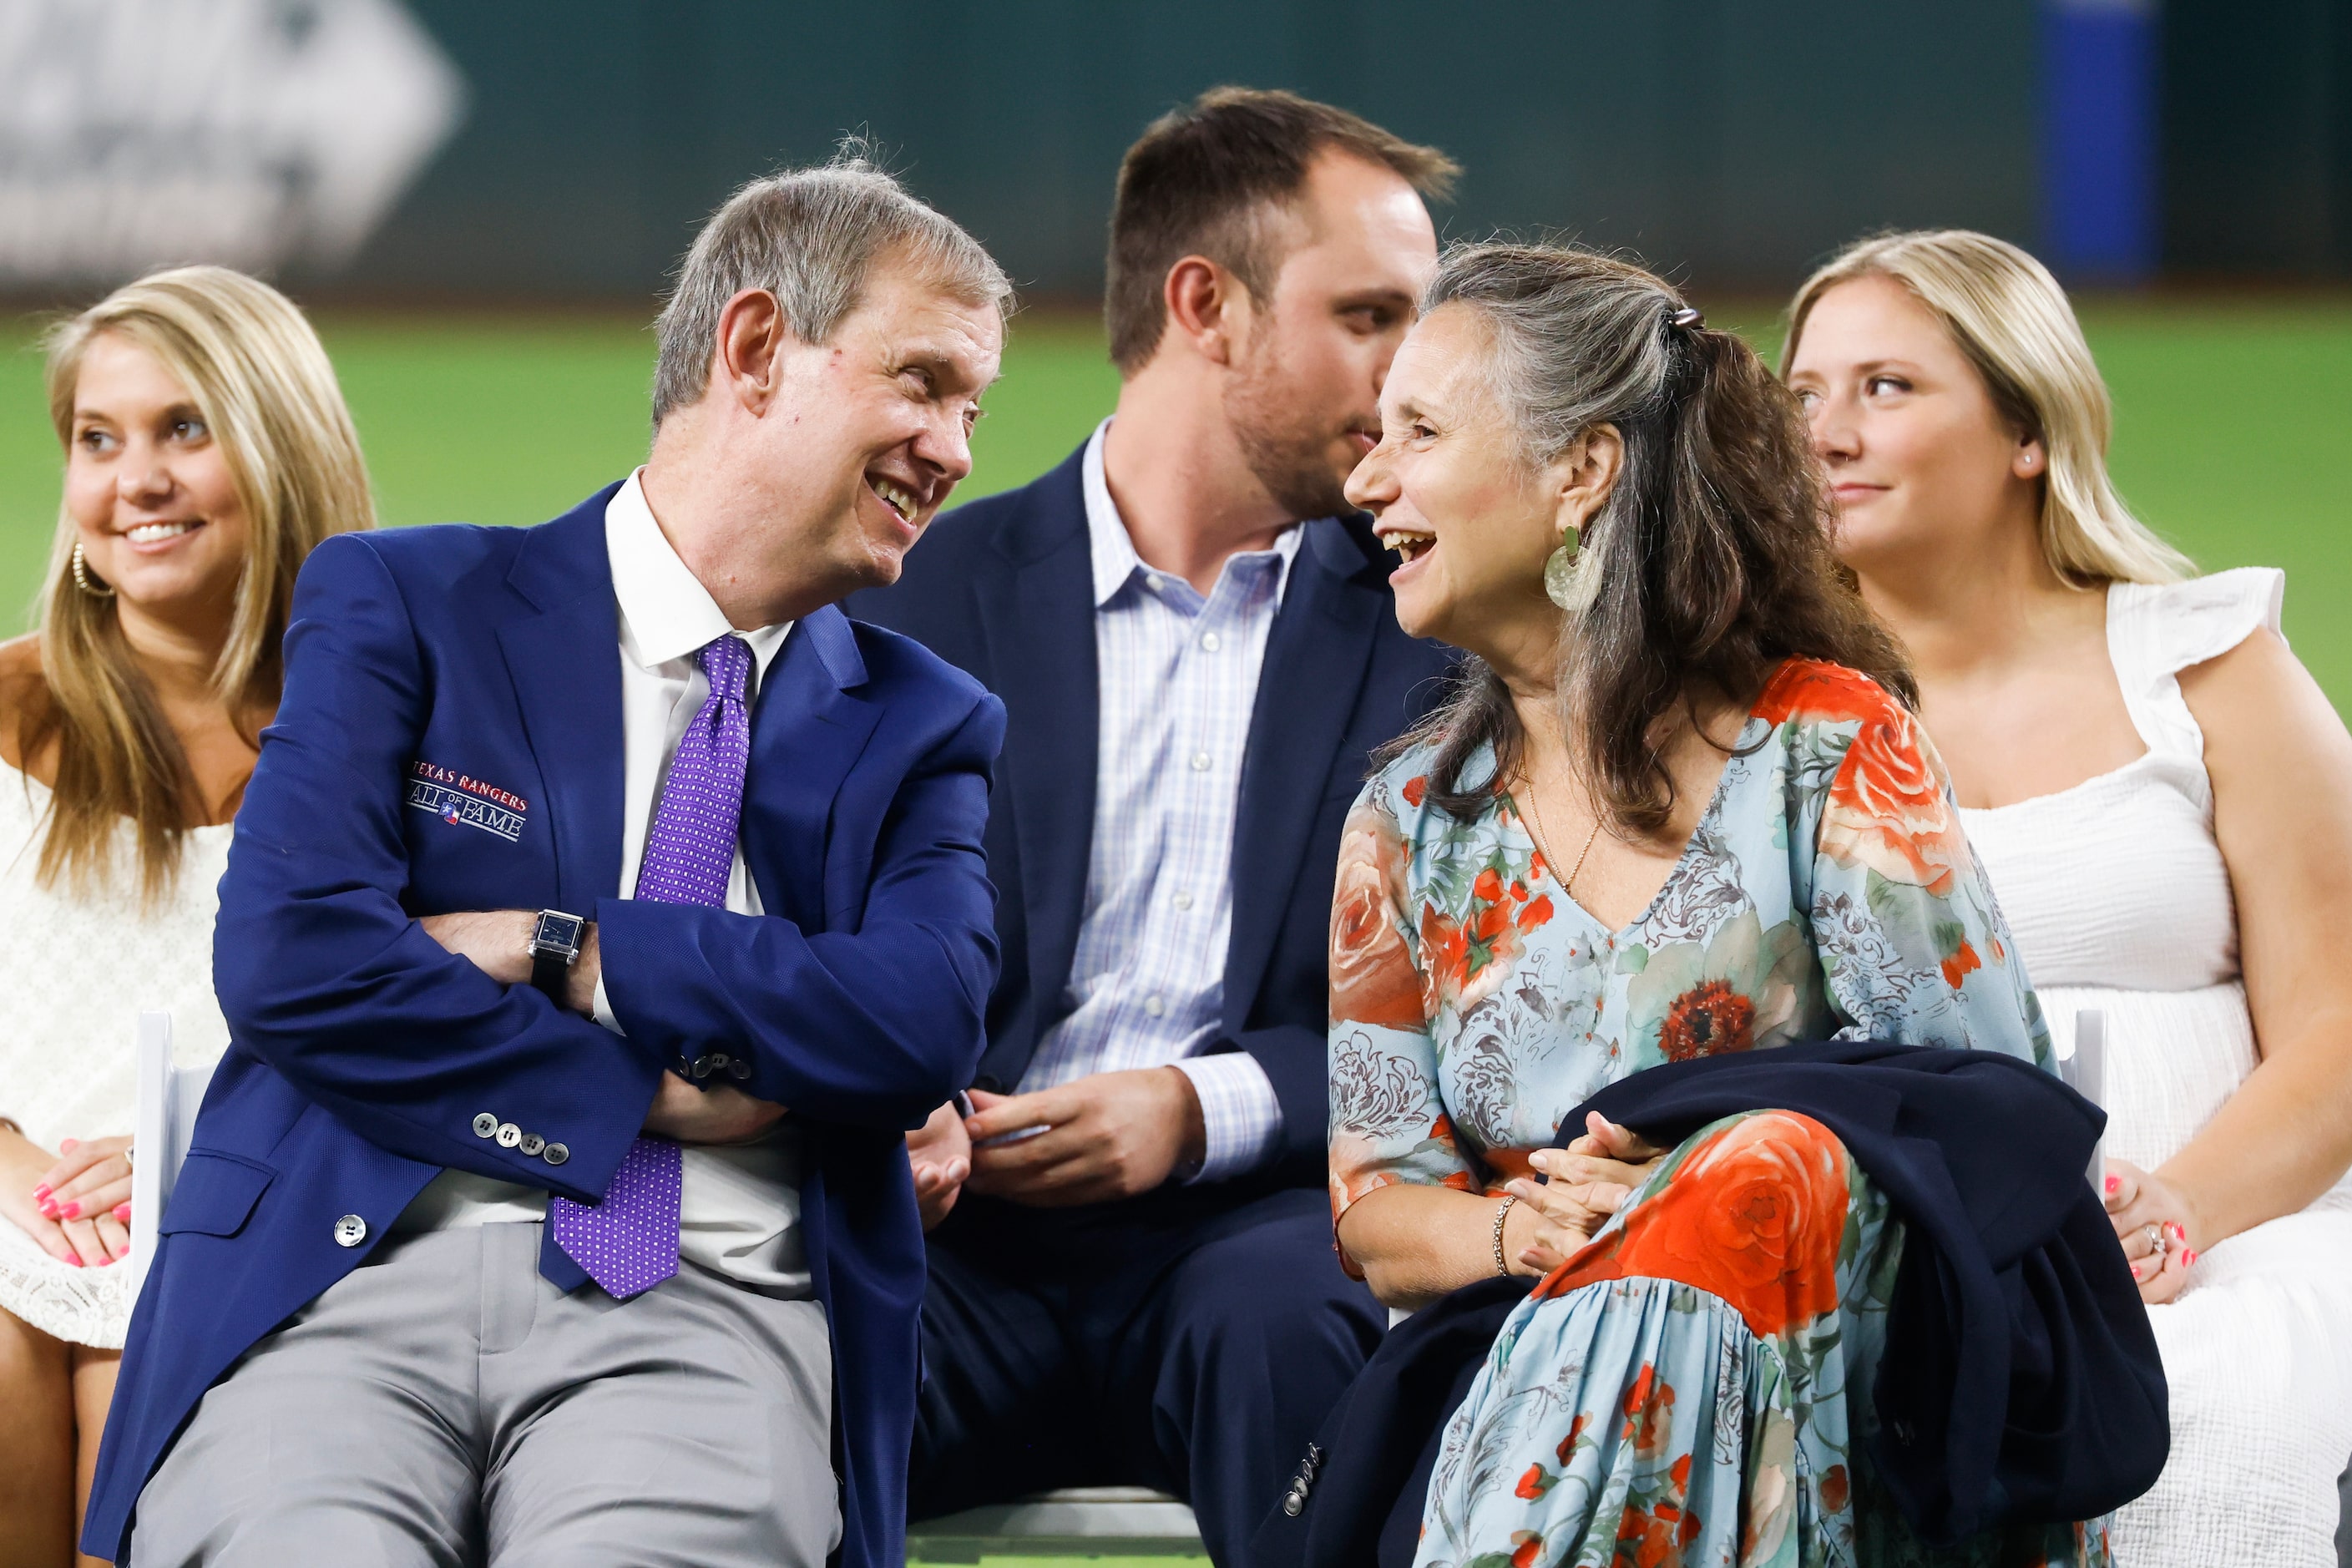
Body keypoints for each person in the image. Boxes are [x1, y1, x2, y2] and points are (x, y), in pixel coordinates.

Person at [81, 152, 1011, 1568]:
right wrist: (640, 1087)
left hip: (707, 1312)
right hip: (337, 1281)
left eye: (970, 406)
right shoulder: (405, 599)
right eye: (925, 383)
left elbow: (915, 1021)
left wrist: (565, 948)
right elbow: (294, 964)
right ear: (754, 348)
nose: (956, 449)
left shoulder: (927, 721)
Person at [1324, 242, 2109, 1564]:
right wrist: (1535, 1226)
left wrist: (1686, 1182)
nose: (1363, 480)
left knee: (1761, 1165)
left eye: (1417, 429)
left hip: (1857, 1401)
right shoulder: (1405, 826)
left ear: (1581, 471)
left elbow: (1979, 1109)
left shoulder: (1827, 750)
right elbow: (1377, 1210)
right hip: (1518, 1359)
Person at [850, 89, 1459, 1562]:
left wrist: (1201, 1108)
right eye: (1371, 315)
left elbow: (1473, 1013)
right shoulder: (907, 597)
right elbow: (796, 938)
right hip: (950, 1239)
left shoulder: (1442, 628)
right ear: (1207, 306)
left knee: (1295, 1334)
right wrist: (894, 1104)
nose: (1414, 373)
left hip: (1254, 1233)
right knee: (766, 1343)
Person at [1785, 228, 2352, 1568]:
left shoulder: (2208, 665)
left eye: (1885, 388)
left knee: (2199, 1427)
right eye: (1802, 394)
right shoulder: (1759, 703)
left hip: (2228, 1236)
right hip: (1896, 1250)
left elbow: (2338, 1026)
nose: (1826, 431)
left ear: (2025, 432)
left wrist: (2173, 1213)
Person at [0, 266, 373, 1567]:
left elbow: (423, 1015)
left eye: (184, 430)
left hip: (251, 1193)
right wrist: (20, 1173)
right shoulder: (3, 707)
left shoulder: (385, 726)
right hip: (15, 1188)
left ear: (284, 447)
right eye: (97, 440)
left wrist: (187, 1152)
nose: (133, 480)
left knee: (143, 1354)